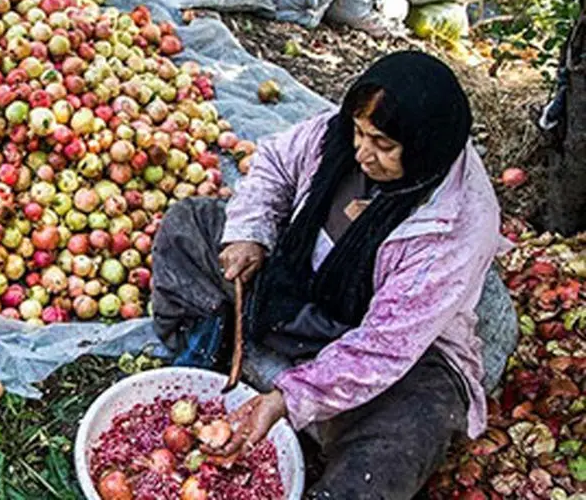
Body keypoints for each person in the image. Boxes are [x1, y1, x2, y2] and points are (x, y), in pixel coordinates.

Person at [152, 51, 507, 499]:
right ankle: (209, 345)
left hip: (383, 338)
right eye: (359, 133)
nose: (362, 153)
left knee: (406, 431)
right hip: (300, 285)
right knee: (192, 225)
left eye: (383, 144)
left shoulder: (457, 222)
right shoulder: (337, 135)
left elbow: (384, 346)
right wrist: (250, 233)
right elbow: (276, 164)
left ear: (423, 146)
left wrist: (288, 399)